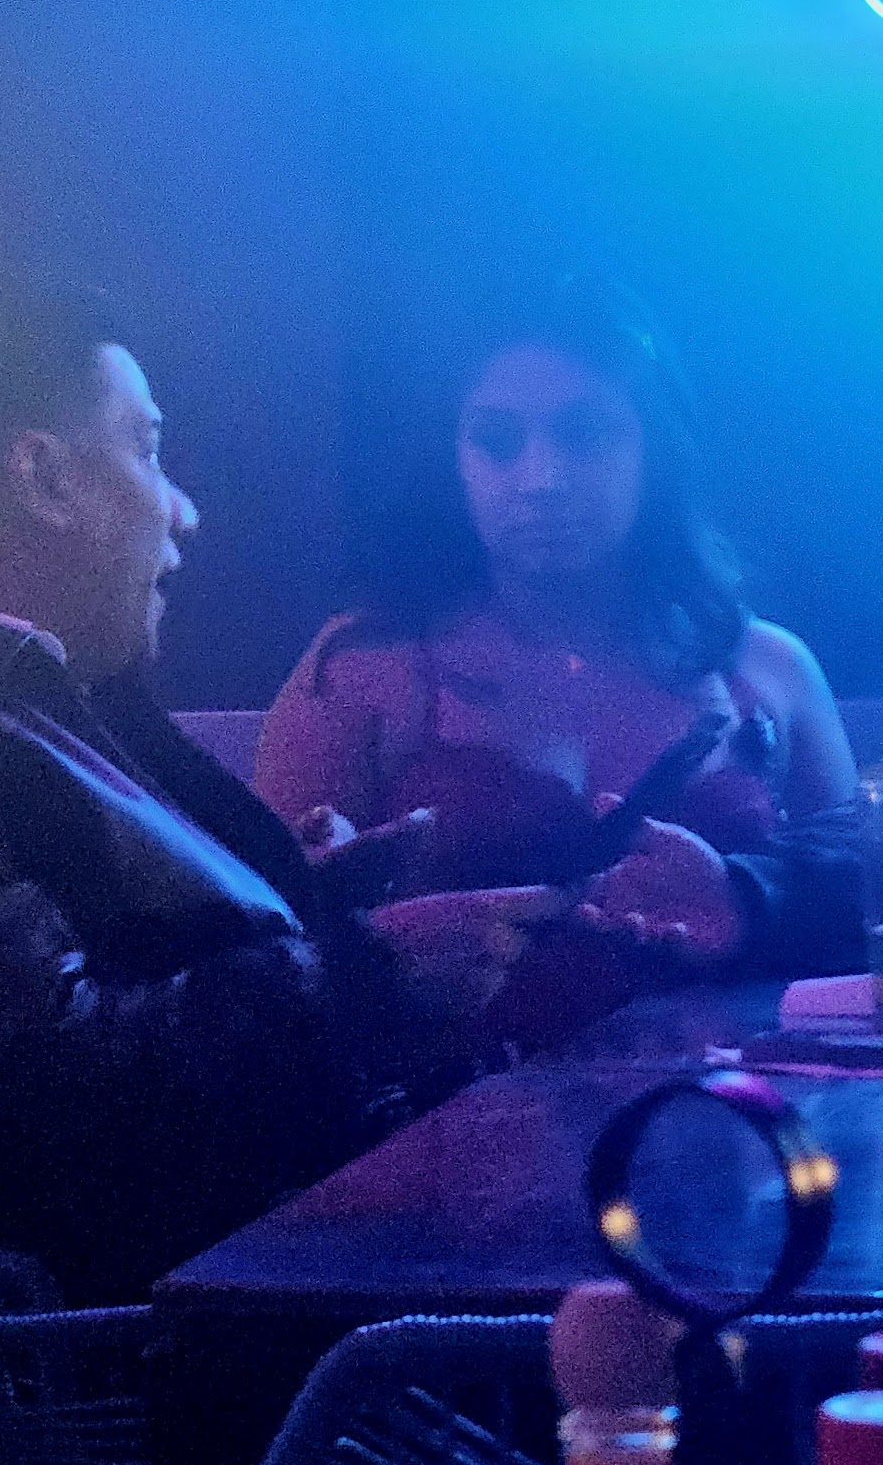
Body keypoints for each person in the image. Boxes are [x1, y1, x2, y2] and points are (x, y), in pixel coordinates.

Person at [0, 283, 556, 1303]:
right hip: (186, 1347)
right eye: (146, 450)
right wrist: (363, 975)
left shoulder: (23, 686)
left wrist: (311, 894)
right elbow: (22, 1093)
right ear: (45, 478)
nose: (182, 510)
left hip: (285, 1272)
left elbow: (113, 946)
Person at [257, 273, 862, 1001]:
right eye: (497, 441)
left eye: (586, 434)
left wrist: (741, 897)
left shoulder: (769, 672)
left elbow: (858, 927)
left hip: (732, 1071)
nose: (541, 478)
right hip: (457, 1075)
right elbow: (261, 959)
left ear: (654, 453)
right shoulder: (367, 668)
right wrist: (369, 935)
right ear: (453, 463)